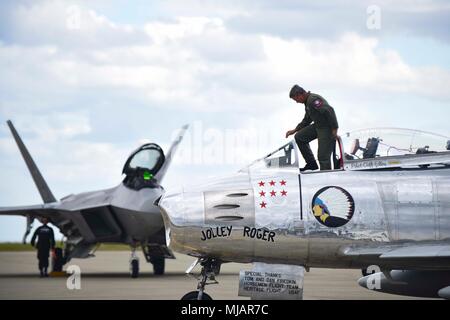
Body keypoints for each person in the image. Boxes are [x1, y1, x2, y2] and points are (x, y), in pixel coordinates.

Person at [286, 85, 339, 171]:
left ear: (300, 95)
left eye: (296, 99)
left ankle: (326, 176)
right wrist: (295, 130)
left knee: (323, 156)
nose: (296, 102)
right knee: (299, 137)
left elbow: (329, 111)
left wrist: (334, 129)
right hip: (318, 126)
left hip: (326, 128)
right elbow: (307, 119)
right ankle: (311, 164)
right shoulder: (307, 102)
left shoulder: (313, 100)